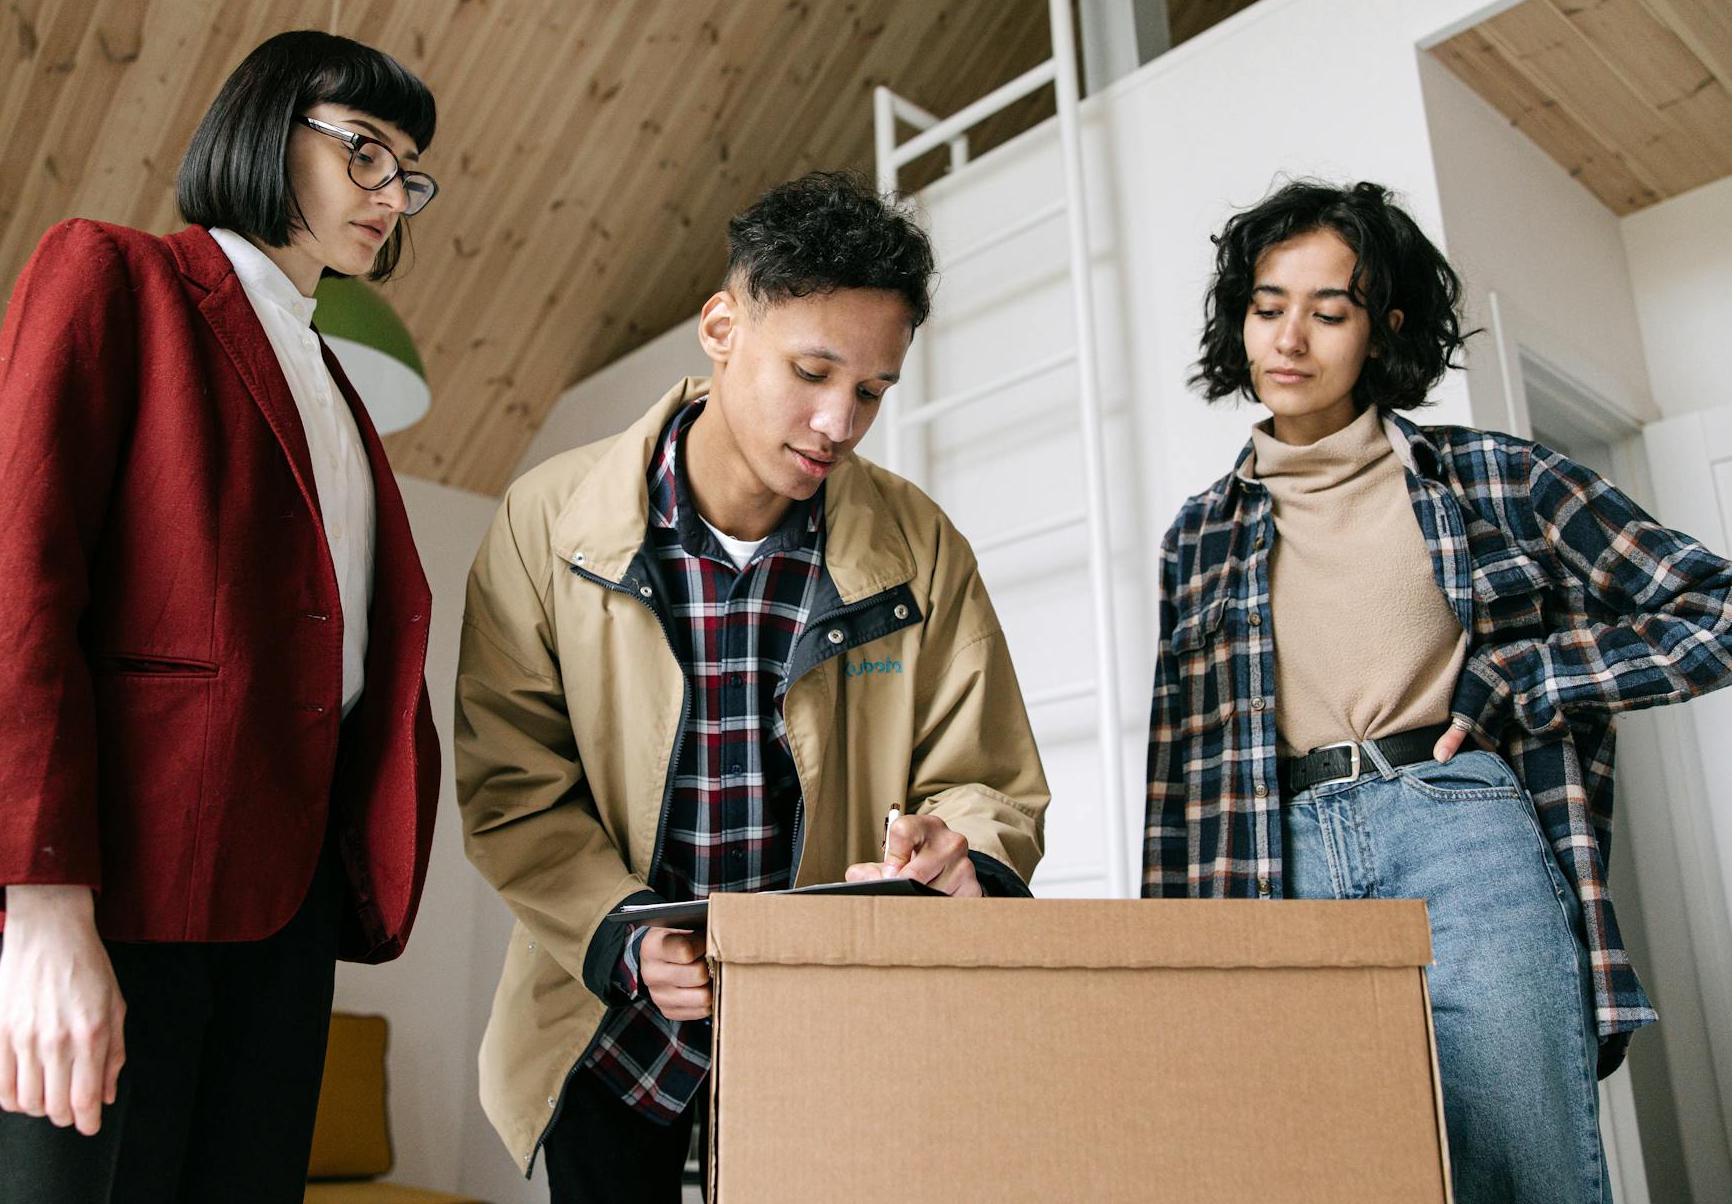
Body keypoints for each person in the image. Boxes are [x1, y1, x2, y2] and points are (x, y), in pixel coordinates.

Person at [0, 30, 445, 1203]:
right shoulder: (115, 273)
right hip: (113, 890)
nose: (388, 194)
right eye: (363, 149)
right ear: (265, 127)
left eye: (406, 174)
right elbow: (21, 593)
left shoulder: (340, 385)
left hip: (285, 915)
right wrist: (43, 912)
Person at [455, 171, 1050, 1200]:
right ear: (723, 325)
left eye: (870, 389)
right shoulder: (543, 523)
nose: (838, 420)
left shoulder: (921, 545)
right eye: (812, 370)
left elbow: (986, 777)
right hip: (610, 1039)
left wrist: (962, 858)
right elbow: (513, 788)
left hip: (833, 1042)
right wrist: (630, 937)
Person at [1144, 178, 1732, 1203]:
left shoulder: (1494, 477)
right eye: (1267, 304)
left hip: (1461, 831)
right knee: (1326, 1176)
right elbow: (1181, 775)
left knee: (1524, 1173)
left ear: (1385, 328)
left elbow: (1713, 609)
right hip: (1277, 860)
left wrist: (1529, 675)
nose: (1290, 337)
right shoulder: (1197, 536)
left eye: (1329, 310)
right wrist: (1171, 969)